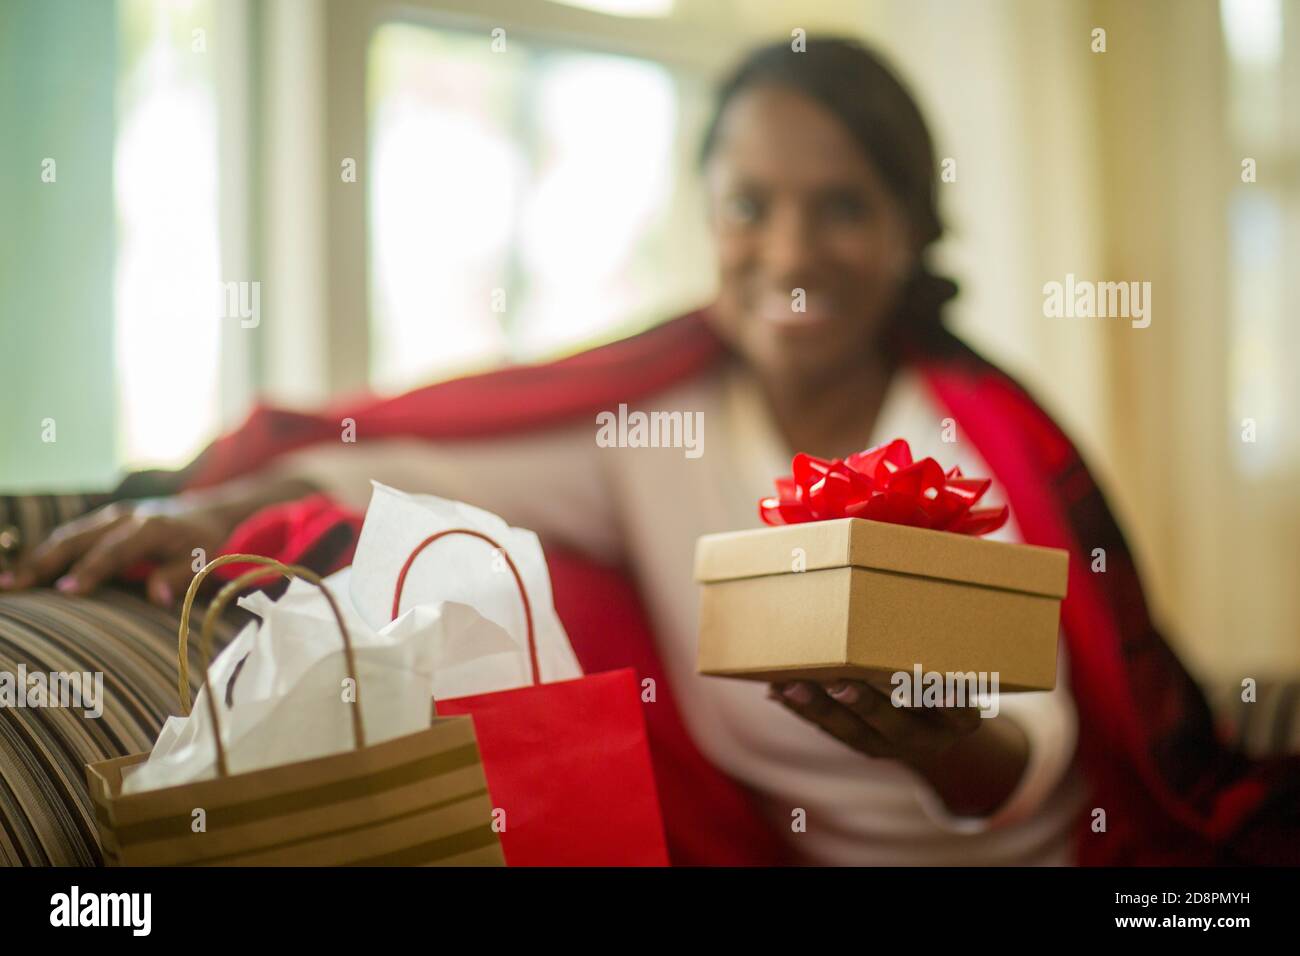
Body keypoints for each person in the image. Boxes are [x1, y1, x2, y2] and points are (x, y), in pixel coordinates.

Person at [2, 38, 1295, 866]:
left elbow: (1031, 755)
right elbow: (407, 469)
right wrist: (210, 503)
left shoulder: (969, 445)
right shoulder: (658, 424)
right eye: (751, 206)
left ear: (911, 233)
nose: (789, 255)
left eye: (842, 207)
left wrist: (932, 737)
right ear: (709, 220)